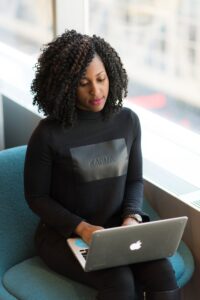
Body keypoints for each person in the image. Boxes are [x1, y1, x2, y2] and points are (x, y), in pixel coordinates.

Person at [24, 29, 180, 300]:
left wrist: (131, 217)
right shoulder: (48, 134)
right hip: (65, 236)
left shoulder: (128, 121)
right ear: (65, 86)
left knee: (162, 273)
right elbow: (37, 198)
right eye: (83, 83)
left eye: (101, 79)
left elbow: (134, 180)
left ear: (111, 75)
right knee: (120, 283)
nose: (96, 91)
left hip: (119, 231)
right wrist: (82, 228)